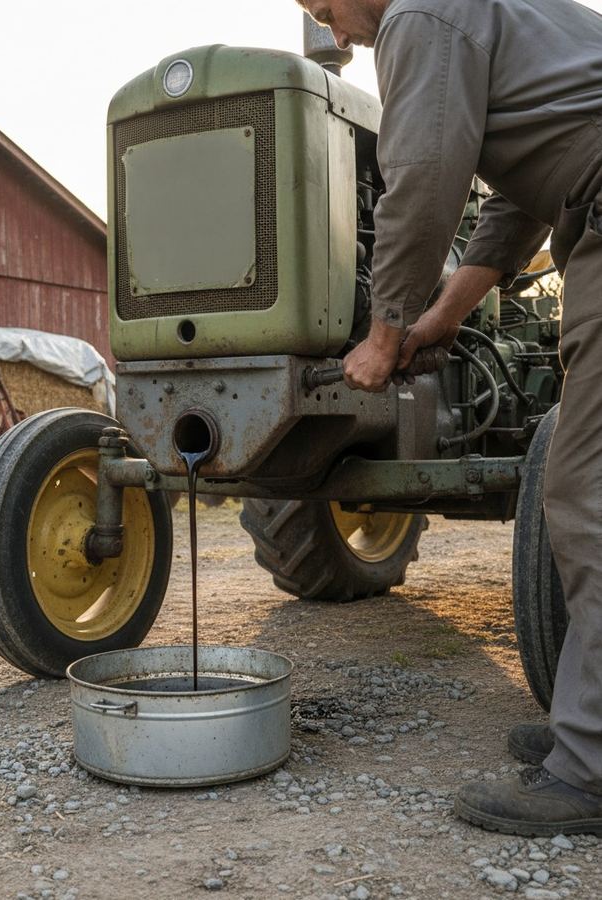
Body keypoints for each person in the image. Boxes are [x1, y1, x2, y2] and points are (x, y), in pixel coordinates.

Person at [296, 0, 602, 836]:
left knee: (587, 498)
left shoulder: (419, 12)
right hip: (586, 206)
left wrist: (384, 328)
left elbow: (424, 180)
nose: (333, 32)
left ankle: (595, 766)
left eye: (324, 7)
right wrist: (440, 321)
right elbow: (516, 205)